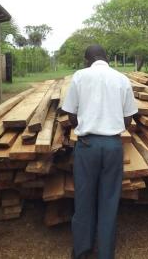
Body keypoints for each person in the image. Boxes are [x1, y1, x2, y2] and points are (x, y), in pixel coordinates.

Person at [62, 44, 137, 259]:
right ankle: (105, 253)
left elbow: (71, 115)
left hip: (87, 146)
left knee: (84, 198)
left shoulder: (80, 76)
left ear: (88, 60)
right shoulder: (122, 79)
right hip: (113, 146)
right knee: (109, 200)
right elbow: (128, 118)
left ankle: (82, 251)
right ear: (107, 57)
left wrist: (86, 120)